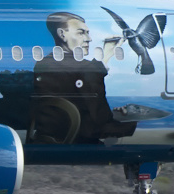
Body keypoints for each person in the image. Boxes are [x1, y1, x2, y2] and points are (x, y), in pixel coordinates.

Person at [28, 11, 137, 145]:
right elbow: (97, 122)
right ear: (62, 34)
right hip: (78, 136)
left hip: (51, 133)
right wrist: (130, 118)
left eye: (88, 32)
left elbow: (79, 102)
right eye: (81, 33)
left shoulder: (44, 62)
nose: (89, 39)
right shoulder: (82, 69)